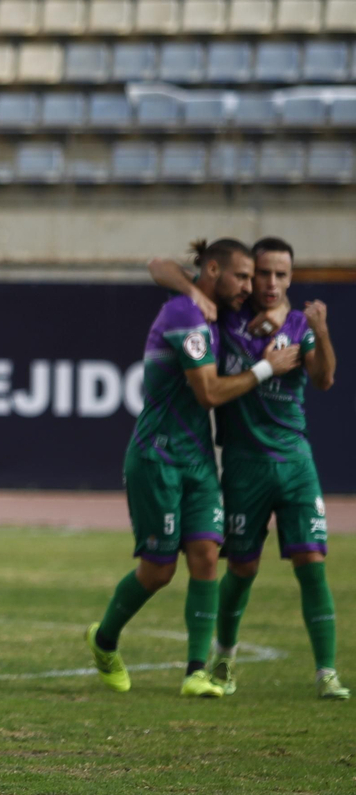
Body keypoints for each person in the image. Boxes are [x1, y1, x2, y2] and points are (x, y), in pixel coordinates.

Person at [87, 238, 301, 697]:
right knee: (158, 571)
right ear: (212, 272)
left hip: (199, 458)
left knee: (206, 555)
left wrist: (281, 312)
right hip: (156, 456)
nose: (250, 285)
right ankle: (104, 640)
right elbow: (207, 393)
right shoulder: (185, 315)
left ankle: (195, 672)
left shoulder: (218, 313)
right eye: (242, 276)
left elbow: (168, 268)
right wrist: (265, 368)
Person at [149, 237, 344, 699]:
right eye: (265, 274)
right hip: (241, 462)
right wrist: (196, 292)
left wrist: (321, 330)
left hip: (296, 460)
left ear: (291, 279)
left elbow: (324, 379)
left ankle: (327, 673)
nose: (273, 283)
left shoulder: (296, 323)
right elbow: (161, 266)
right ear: (249, 276)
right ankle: (225, 656)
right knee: (242, 566)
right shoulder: (225, 316)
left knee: (311, 561)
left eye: (283, 275)